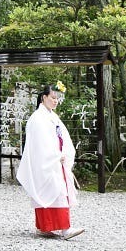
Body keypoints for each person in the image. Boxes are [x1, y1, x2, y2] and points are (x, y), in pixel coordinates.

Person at [16, 83, 84, 240]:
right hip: (47, 160)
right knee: (54, 191)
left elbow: (62, 137)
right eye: (53, 98)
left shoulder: (52, 116)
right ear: (44, 97)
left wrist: (64, 152)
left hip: (56, 159)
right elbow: (40, 143)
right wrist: (54, 155)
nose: (55, 101)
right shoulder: (38, 118)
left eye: (57, 99)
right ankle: (64, 228)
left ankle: (47, 227)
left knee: (57, 192)